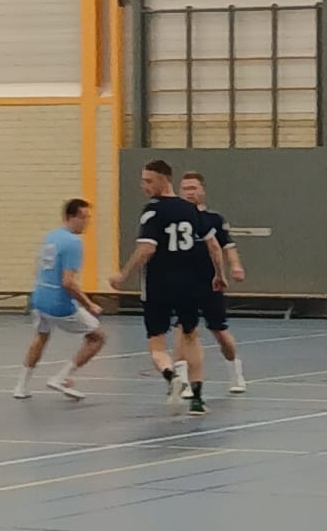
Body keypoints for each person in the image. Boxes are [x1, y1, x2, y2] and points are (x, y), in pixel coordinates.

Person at [109, 159, 223, 415]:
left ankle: (172, 377)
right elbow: (213, 246)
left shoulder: (152, 211)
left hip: (158, 286)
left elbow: (147, 249)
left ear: (164, 180)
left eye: (148, 181)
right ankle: (197, 400)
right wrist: (219, 274)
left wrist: (123, 275)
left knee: (157, 345)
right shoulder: (191, 210)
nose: (144, 186)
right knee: (191, 337)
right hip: (189, 285)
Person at [14, 198, 106, 401]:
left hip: (39, 298)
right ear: (69, 217)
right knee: (97, 337)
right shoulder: (74, 243)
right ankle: (61, 378)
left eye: (88, 218)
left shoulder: (51, 236)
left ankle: (21, 386)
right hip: (57, 303)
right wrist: (89, 304)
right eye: (83, 218)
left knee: (41, 337)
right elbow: (68, 283)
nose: (86, 222)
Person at [179, 170, 246, 395]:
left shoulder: (214, 219)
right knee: (184, 331)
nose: (189, 192)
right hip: (183, 284)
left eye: (193, 188)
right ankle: (185, 382)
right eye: (185, 189)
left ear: (202, 190)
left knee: (220, 331)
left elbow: (227, 246)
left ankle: (235, 372)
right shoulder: (175, 219)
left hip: (210, 283)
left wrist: (235, 266)